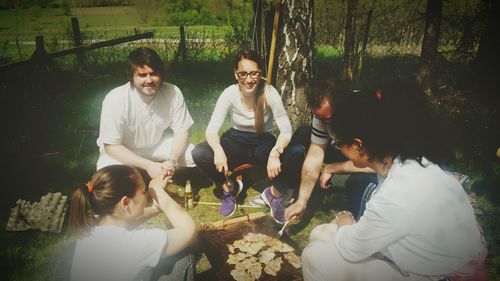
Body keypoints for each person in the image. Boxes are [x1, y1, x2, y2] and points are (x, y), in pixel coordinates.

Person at [301, 80, 487, 281]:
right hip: (434, 256)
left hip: (441, 275)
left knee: (314, 256)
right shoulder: (412, 163)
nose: (339, 150)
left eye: (338, 145)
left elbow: (351, 248)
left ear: (358, 145)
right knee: (320, 233)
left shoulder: (394, 194)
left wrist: (345, 218)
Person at [191, 49, 304, 222]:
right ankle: (229, 188)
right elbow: (211, 130)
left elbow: (286, 130)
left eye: (254, 73)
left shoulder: (269, 92)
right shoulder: (229, 93)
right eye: (243, 73)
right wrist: (218, 150)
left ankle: (274, 194)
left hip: (263, 142)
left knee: (296, 152)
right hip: (234, 141)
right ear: (236, 74)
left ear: (260, 73)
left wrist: (276, 152)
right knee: (199, 153)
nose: (249, 79)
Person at [70, 165, 196, 281]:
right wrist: (158, 192)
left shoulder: (92, 224)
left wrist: (157, 207)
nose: (147, 195)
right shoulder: (135, 244)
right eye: (143, 192)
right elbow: (188, 230)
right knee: (184, 253)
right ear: (125, 203)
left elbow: (130, 218)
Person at [283, 80, 377, 222]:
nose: (322, 124)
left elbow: (380, 164)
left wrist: (335, 168)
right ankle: (288, 191)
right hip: (346, 150)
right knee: (303, 132)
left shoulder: (367, 112)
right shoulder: (322, 116)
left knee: (359, 182)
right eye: (319, 118)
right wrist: (302, 200)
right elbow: (315, 154)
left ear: (343, 109)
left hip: (375, 163)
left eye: (327, 120)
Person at [96, 47, 195, 180]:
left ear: (161, 74)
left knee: (193, 154)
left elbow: (182, 131)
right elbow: (111, 146)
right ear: (132, 77)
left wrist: (172, 160)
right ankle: (146, 169)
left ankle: (162, 167)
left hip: (155, 145)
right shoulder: (115, 98)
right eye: (142, 75)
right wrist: (148, 165)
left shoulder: (173, 92)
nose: (149, 80)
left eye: (153, 73)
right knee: (107, 174)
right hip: (122, 150)